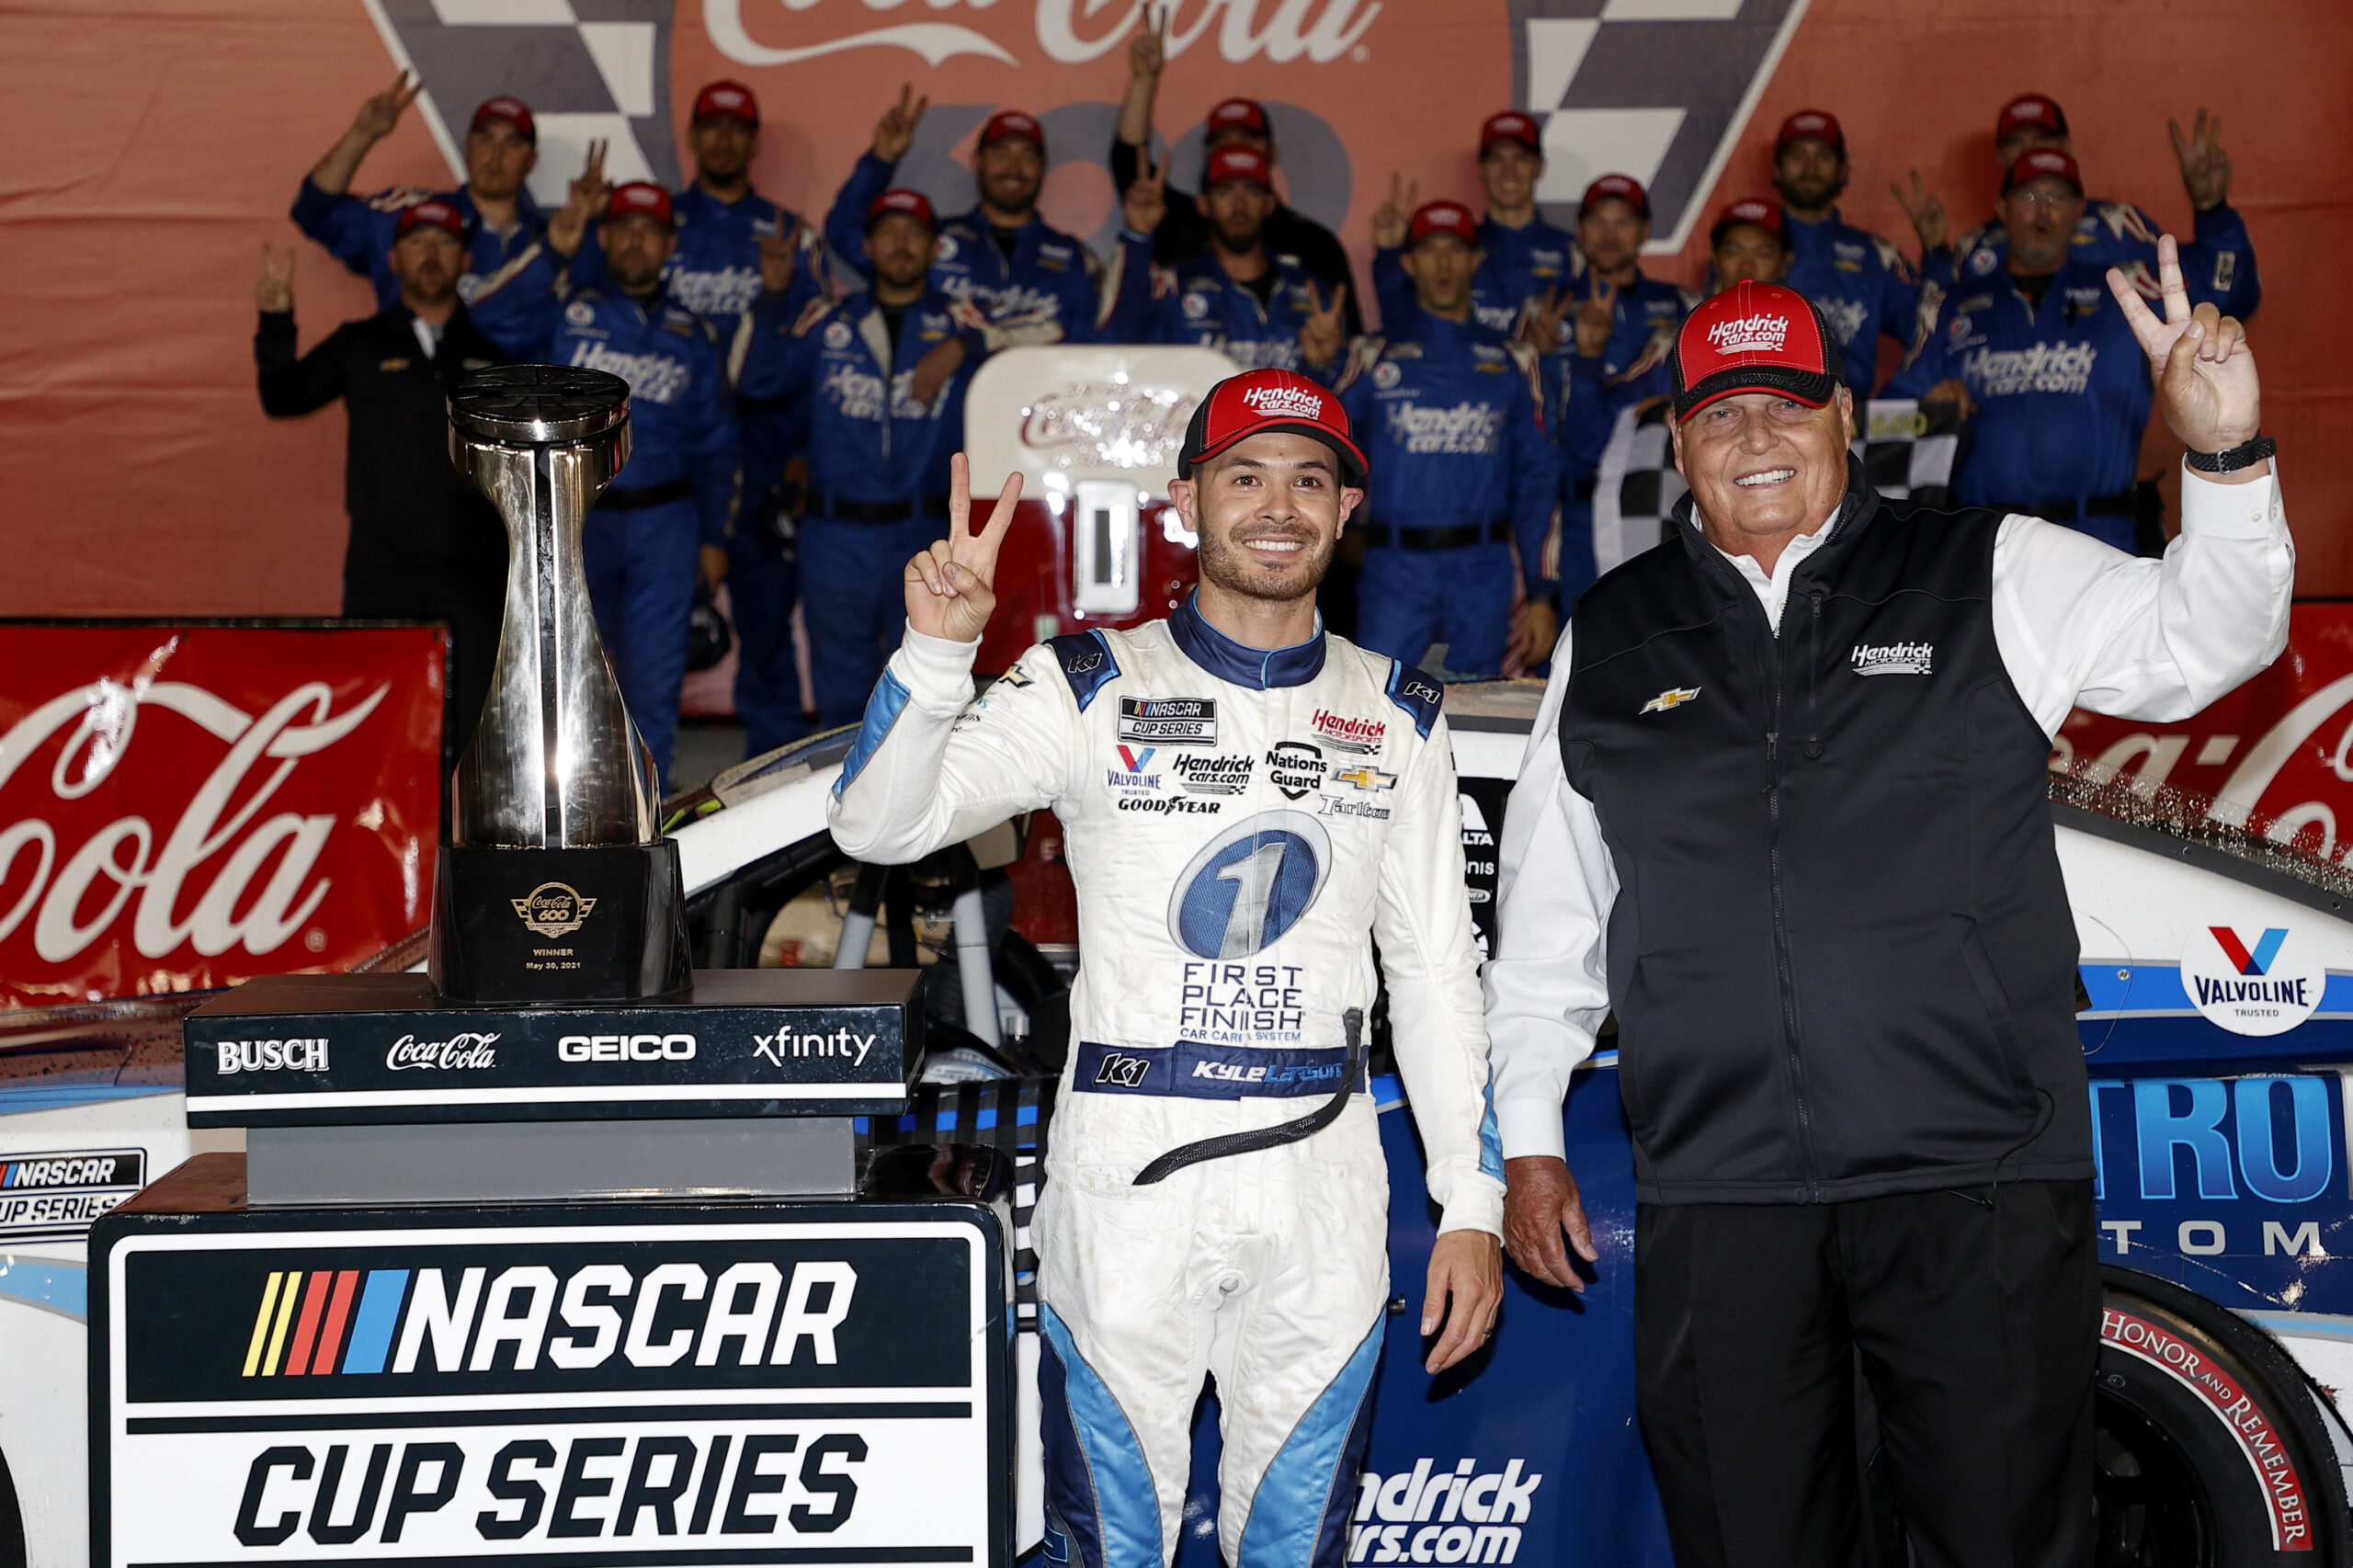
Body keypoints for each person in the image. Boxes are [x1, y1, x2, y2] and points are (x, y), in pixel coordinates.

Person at [1487, 270, 2286, 1564]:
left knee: (2002, 1543)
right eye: (1722, 412)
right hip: (1721, 1197)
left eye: (1788, 405)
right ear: (1678, 439)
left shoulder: (1988, 568)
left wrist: (2223, 449)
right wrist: (1526, 1138)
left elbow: (2214, 635)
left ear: (1845, 415)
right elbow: (1547, 929)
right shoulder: (1610, 636)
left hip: (1977, 1186)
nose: (1757, 437)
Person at [829, 369, 1505, 1568]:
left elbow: (1437, 973)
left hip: (1323, 1184)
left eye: (1309, 478)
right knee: (1110, 1545)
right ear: (1190, 502)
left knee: (1297, 1547)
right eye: (1245, 475)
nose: (1278, 504)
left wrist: (1471, 1199)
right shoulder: (1087, 682)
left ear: (1348, 509)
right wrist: (937, 657)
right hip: (1125, 1179)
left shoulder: (1399, 712)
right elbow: (877, 829)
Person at [1890, 149, 2260, 552]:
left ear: (2080, 211)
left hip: (2103, 540)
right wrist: (1927, 410)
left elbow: (2231, 288)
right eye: (2029, 198)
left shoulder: (2126, 291)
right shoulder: (1953, 306)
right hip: (1987, 546)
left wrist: (2213, 212)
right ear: (2002, 209)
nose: (2043, 212)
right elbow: (1886, 420)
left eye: (2057, 198)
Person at [253, 200, 509, 748]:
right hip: (381, 571)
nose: (432, 254)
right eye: (418, 242)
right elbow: (284, 396)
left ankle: (462, 839)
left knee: (474, 735)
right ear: (393, 258)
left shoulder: (497, 361)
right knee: (376, 726)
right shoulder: (360, 345)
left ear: (465, 258)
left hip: (475, 575)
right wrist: (276, 322)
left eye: (444, 242)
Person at [736, 189, 979, 730]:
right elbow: (754, 380)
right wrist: (773, 297)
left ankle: (916, 812)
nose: (901, 244)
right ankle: (838, 809)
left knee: (923, 689)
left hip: (925, 533)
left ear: (933, 247)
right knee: (841, 691)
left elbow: (1054, 332)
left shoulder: (961, 319)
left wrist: (967, 347)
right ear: (866, 246)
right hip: (836, 533)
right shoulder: (826, 320)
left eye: (913, 233)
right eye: (888, 232)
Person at [548, 182, 738, 788]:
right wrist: (555, 256)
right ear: (602, 237)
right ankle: (574, 803)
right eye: (623, 227)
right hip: (583, 513)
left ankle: (646, 805)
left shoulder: (692, 332)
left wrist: (714, 537)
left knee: (654, 680)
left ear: (669, 244)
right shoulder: (565, 312)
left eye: (649, 230)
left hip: (666, 521)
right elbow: (496, 328)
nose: (635, 241)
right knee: (573, 673)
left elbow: (716, 442)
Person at [1338, 201, 1560, 676]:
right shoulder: (1371, 356)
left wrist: (1542, 593)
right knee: (1384, 709)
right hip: (1394, 571)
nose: (1443, 263)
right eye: (1430, 250)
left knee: (1478, 710)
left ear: (1475, 260)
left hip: (1484, 571)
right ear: (1408, 262)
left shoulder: (1515, 360)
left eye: (1455, 251)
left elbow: (1539, 480)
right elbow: (1325, 449)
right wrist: (1346, 532)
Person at [1110, 4, 1360, 335]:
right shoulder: (1184, 219)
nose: (1235, 150)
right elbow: (1131, 164)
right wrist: (1144, 80)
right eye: (1222, 143)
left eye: (1248, 140)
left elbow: (1347, 342)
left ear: (1272, 155)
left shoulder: (1313, 243)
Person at [1902, 94, 2259, 322]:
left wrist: (2212, 211)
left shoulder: (2118, 225)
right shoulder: (1975, 246)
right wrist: (1935, 254)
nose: (2029, 150)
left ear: (2066, 145)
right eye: (2016, 142)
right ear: (1999, 156)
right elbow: (1936, 328)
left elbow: (2220, 294)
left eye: (2042, 138)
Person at [825, 93, 1119, 363]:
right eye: (1001, 155)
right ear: (977, 162)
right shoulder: (933, 243)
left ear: (1043, 168)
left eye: (1027, 157)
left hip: (1031, 411)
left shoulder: (1075, 259)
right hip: (937, 412)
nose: (1013, 169)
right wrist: (880, 161)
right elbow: (846, 234)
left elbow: (1092, 344)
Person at [290, 77, 553, 357]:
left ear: (532, 161)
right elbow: (313, 211)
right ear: (468, 146)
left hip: (509, 395)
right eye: (486, 138)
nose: (495, 154)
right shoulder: (411, 217)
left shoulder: (555, 243)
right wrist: (362, 134)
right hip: (413, 388)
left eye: (512, 143)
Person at [1551, 175, 1699, 606]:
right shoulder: (1545, 309)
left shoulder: (1684, 307)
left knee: (1650, 640)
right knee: (1567, 651)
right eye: (1598, 222)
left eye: (1623, 222)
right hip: (1567, 508)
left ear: (1645, 231)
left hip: (1653, 503)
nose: (1610, 235)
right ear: (1579, 231)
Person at [1113, 145, 1350, 377]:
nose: (1239, 206)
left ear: (1270, 204)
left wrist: (1323, 366)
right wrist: (1137, 238)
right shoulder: (1172, 288)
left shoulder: (1311, 292)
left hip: (1287, 419)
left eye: (1252, 191)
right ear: (1203, 204)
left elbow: (1346, 399)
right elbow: (1120, 357)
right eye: (1225, 191)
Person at [1368, 112, 1578, 341]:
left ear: (1539, 167)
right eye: (1497, 159)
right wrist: (1390, 254)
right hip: (1467, 376)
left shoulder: (1572, 252)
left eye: (1520, 158)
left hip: (1549, 377)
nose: (1509, 172)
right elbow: (1403, 328)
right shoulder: (1455, 247)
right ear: (1480, 169)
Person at [1770, 111, 1932, 392]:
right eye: (1798, 156)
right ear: (1777, 170)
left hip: (1850, 424)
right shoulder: (1747, 248)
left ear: (1843, 170)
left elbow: (1933, 331)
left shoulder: (1876, 255)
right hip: (1764, 418)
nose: (1810, 168)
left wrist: (1896, 399)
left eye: (1823, 157)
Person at [1708, 198, 1790, 291]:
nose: (1746, 268)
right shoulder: (1695, 305)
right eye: (1733, 252)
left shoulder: (1802, 306)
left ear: (1785, 264)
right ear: (1715, 260)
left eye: (1763, 254)